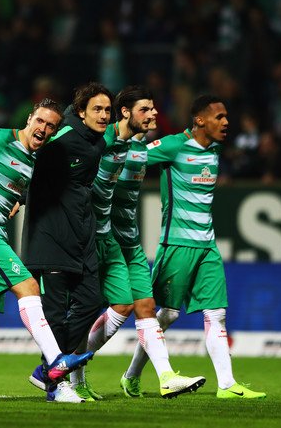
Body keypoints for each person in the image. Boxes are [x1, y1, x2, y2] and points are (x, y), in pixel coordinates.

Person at [0, 98, 94, 404]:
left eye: (51, 126)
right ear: (29, 119)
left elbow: (3, 182)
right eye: (40, 121)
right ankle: (55, 360)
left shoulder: (33, 160)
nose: (43, 129)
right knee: (28, 287)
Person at [120, 95, 266, 399]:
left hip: (207, 245)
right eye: (219, 117)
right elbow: (133, 158)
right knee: (167, 315)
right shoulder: (173, 146)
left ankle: (227, 385)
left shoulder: (215, 150)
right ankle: (131, 375)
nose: (226, 122)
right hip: (176, 243)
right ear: (199, 120)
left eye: (226, 116)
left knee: (217, 313)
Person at [70, 86, 205, 400]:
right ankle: (73, 375)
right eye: (145, 109)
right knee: (95, 311)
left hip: (128, 242)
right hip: (97, 240)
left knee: (144, 306)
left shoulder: (144, 147)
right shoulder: (102, 141)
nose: (154, 113)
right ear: (126, 112)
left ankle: (166, 377)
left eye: (154, 108)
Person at [22, 83, 113, 403]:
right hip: (50, 238)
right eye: (97, 109)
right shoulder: (61, 140)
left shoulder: (97, 142)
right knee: (56, 314)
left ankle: (48, 370)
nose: (103, 115)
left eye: (107, 110)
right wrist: (15, 196)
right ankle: (56, 385)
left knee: (92, 301)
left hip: (81, 238)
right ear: (81, 112)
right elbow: (26, 162)